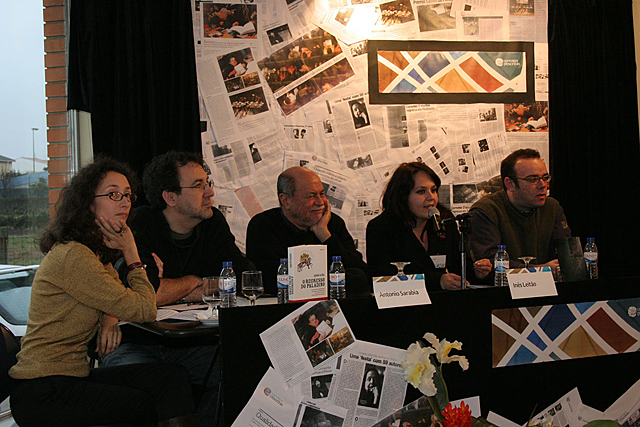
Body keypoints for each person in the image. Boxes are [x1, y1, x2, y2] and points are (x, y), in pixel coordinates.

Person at [9, 157, 197, 427]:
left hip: (70, 378)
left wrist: (110, 313)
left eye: (128, 195)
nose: (125, 202)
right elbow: (145, 307)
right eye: (113, 194)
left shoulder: (96, 255)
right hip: (43, 390)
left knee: (171, 378)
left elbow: (121, 298)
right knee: (143, 405)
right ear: (88, 203)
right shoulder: (74, 256)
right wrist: (132, 253)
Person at [101, 151, 254, 425]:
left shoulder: (212, 222)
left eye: (208, 183)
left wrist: (189, 285)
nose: (209, 192)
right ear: (170, 197)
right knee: (164, 384)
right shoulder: (139, 224)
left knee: (238, 372)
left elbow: (244, 278)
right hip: (136, 342)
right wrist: (198, 282)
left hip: (191, 343)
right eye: (198, 185)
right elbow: (149, 294)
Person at [366, 162, 491, 291]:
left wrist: (476, 271)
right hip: (404, 306)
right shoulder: (381, 228)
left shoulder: (444, 220)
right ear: (402, 196)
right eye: (421, 191)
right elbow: (381, 278)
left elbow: (459, 268)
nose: (431, 197)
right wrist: (437, 281)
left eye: (433, 190)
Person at [246, 166, 369, 296]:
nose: (320, 202)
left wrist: (325, 235)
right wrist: (330, 280)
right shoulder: (263, 225)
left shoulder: (332, 223)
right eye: (311, 196)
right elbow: (271, 281)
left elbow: (360, 272)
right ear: (286, 201)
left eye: (322, 194)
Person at [469, 148, 571, 270]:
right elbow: (489, 263)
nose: (543, 185)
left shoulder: (552, 208)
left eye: (545, 178)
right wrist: (539, 269)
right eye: (533, 179)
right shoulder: (486, 211)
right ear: (510, 184)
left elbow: (566, 253)